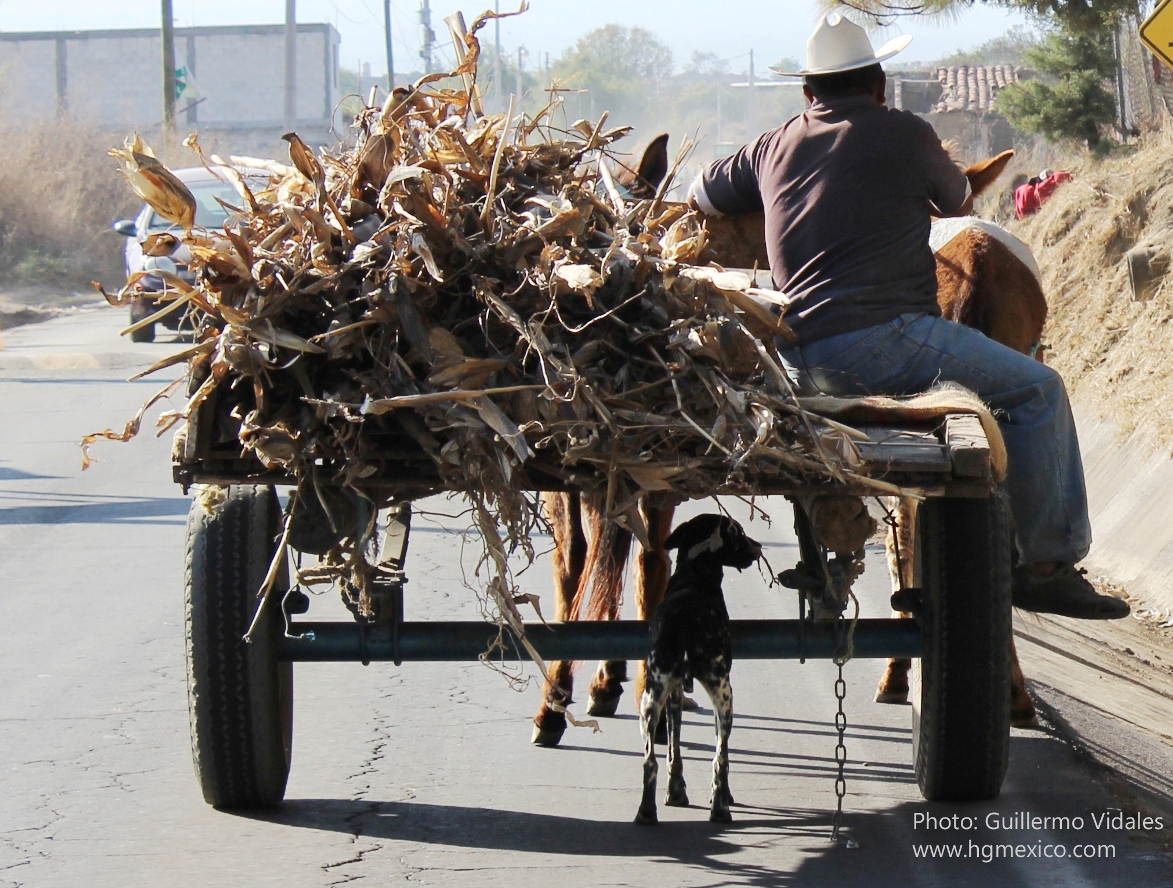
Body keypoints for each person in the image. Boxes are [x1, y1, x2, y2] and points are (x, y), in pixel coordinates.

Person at [687, 14, 1126, 620]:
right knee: (1039, 389)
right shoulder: (905, 132)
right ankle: (1048, 566)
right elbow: (958, 203)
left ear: (808, 93)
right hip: (888, 344)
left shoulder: (772, 144)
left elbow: (702, 194)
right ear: (879, 86)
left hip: (793, 361)